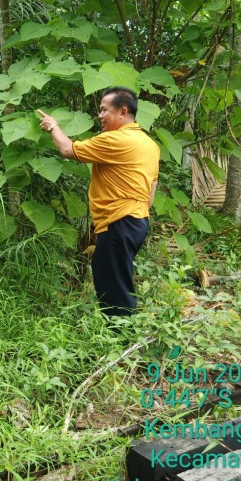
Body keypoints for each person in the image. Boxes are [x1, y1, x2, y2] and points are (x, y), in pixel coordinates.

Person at [36, 86, 160, 317]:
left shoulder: (115, 139)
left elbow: (67, 149)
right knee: (117, 279)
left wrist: (53, 126)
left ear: (123, 112)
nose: (99, 115)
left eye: (104, 110)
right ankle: (124, 330)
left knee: (114, 288)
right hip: (138, 222)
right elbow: (151, 190)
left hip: (119, 222)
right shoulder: (150, 145)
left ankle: (121, 335)